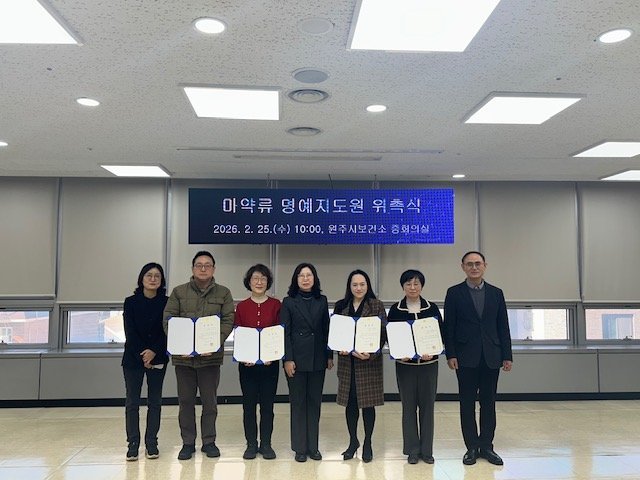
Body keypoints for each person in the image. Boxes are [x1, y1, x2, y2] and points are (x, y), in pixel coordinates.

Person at [163, 251, 235, 460]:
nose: (203, 268)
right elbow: (168, 320)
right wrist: (181, 344)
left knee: (209, 403)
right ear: (193, 268)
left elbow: (228, 321)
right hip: (184, 359)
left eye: (207, 265)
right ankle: (187, 443)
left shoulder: (223, 293)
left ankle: (209, 442)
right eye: (199, 265)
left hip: (210, 358)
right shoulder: (178, 292)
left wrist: (213, 343)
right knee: (185, 402)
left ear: (214, 268)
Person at [443, 251, 513, 466]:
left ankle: (487, 446)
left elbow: (503, 325)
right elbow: (449, 326)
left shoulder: (496, 293)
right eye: (470, 264)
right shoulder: (454, 293)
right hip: (465, 356)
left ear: (485, 266)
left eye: (478, 263)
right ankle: (471, 447)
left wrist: (507, 355)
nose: (474, 267)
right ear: (463, 267)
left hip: (491, 355)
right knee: (466, 403)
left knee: (488, 403)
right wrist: (450, 354)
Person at [387, 269, 443, 465]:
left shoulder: (432, 308)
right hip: (405, 367)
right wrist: (398, 351)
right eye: (408, 284)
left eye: (416, 283)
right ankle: (412, 450)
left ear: (422, 286)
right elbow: (391, 336)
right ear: (403, 286)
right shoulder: (395, 310)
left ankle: (427, 451)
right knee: (408, 408)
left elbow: (440, 334)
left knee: (428, 408)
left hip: (429, 365)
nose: (412, 287)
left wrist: (434, 351)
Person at [281, 262, 333, 463]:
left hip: (318, 359)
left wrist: (329, 355)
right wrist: (287, 359)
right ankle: (300, 448)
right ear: (296, 279)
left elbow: (327, 330)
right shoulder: (288, 302)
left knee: (314, 403)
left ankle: (313, 447)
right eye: (301, 275)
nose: (305, 279)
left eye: (309, 275)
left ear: (314, 278)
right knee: (298, 403)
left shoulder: (322, 300)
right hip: (296, 360)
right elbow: (285, 333)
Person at [333, 269, 386, 463]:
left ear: (368, 285)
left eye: (362, 284)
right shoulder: (341, 306)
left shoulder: (376, 305)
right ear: (349, 286)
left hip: (368, 363)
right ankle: (353, 441)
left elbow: (383, 335)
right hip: (348, 364)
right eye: (354, 284)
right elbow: (335, 333)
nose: (358, 288)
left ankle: (368, 442)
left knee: (368, 405)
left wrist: (371, 354)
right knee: (351, 404)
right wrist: (339, 348)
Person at [233, 264, 282, 460]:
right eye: (255, 278)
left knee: (268, 406)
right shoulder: (242, 306)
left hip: (270, 365)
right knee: (249, 405)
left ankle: (266, 444)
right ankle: (251, 444)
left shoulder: (276, 305)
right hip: (247, 366)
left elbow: (279, 333)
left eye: (263, 278)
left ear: (268, 282)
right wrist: (244, 355)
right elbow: (239, 333)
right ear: (249, 282)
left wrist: (273, 355)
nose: (259, 282)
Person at [122, 262, 169, 461]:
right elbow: (130, 331)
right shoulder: (130, 302)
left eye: (157, 276)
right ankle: (133, 443)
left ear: (161, 280)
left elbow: (168, 331)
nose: (153, 279)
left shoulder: (167, 302)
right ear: (141, 279)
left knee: (155, 402)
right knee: (132, 402)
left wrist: (154, 352)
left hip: (158, 357)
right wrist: (144, 354)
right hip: (133, 358)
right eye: (149, 275)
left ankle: (151, 443)